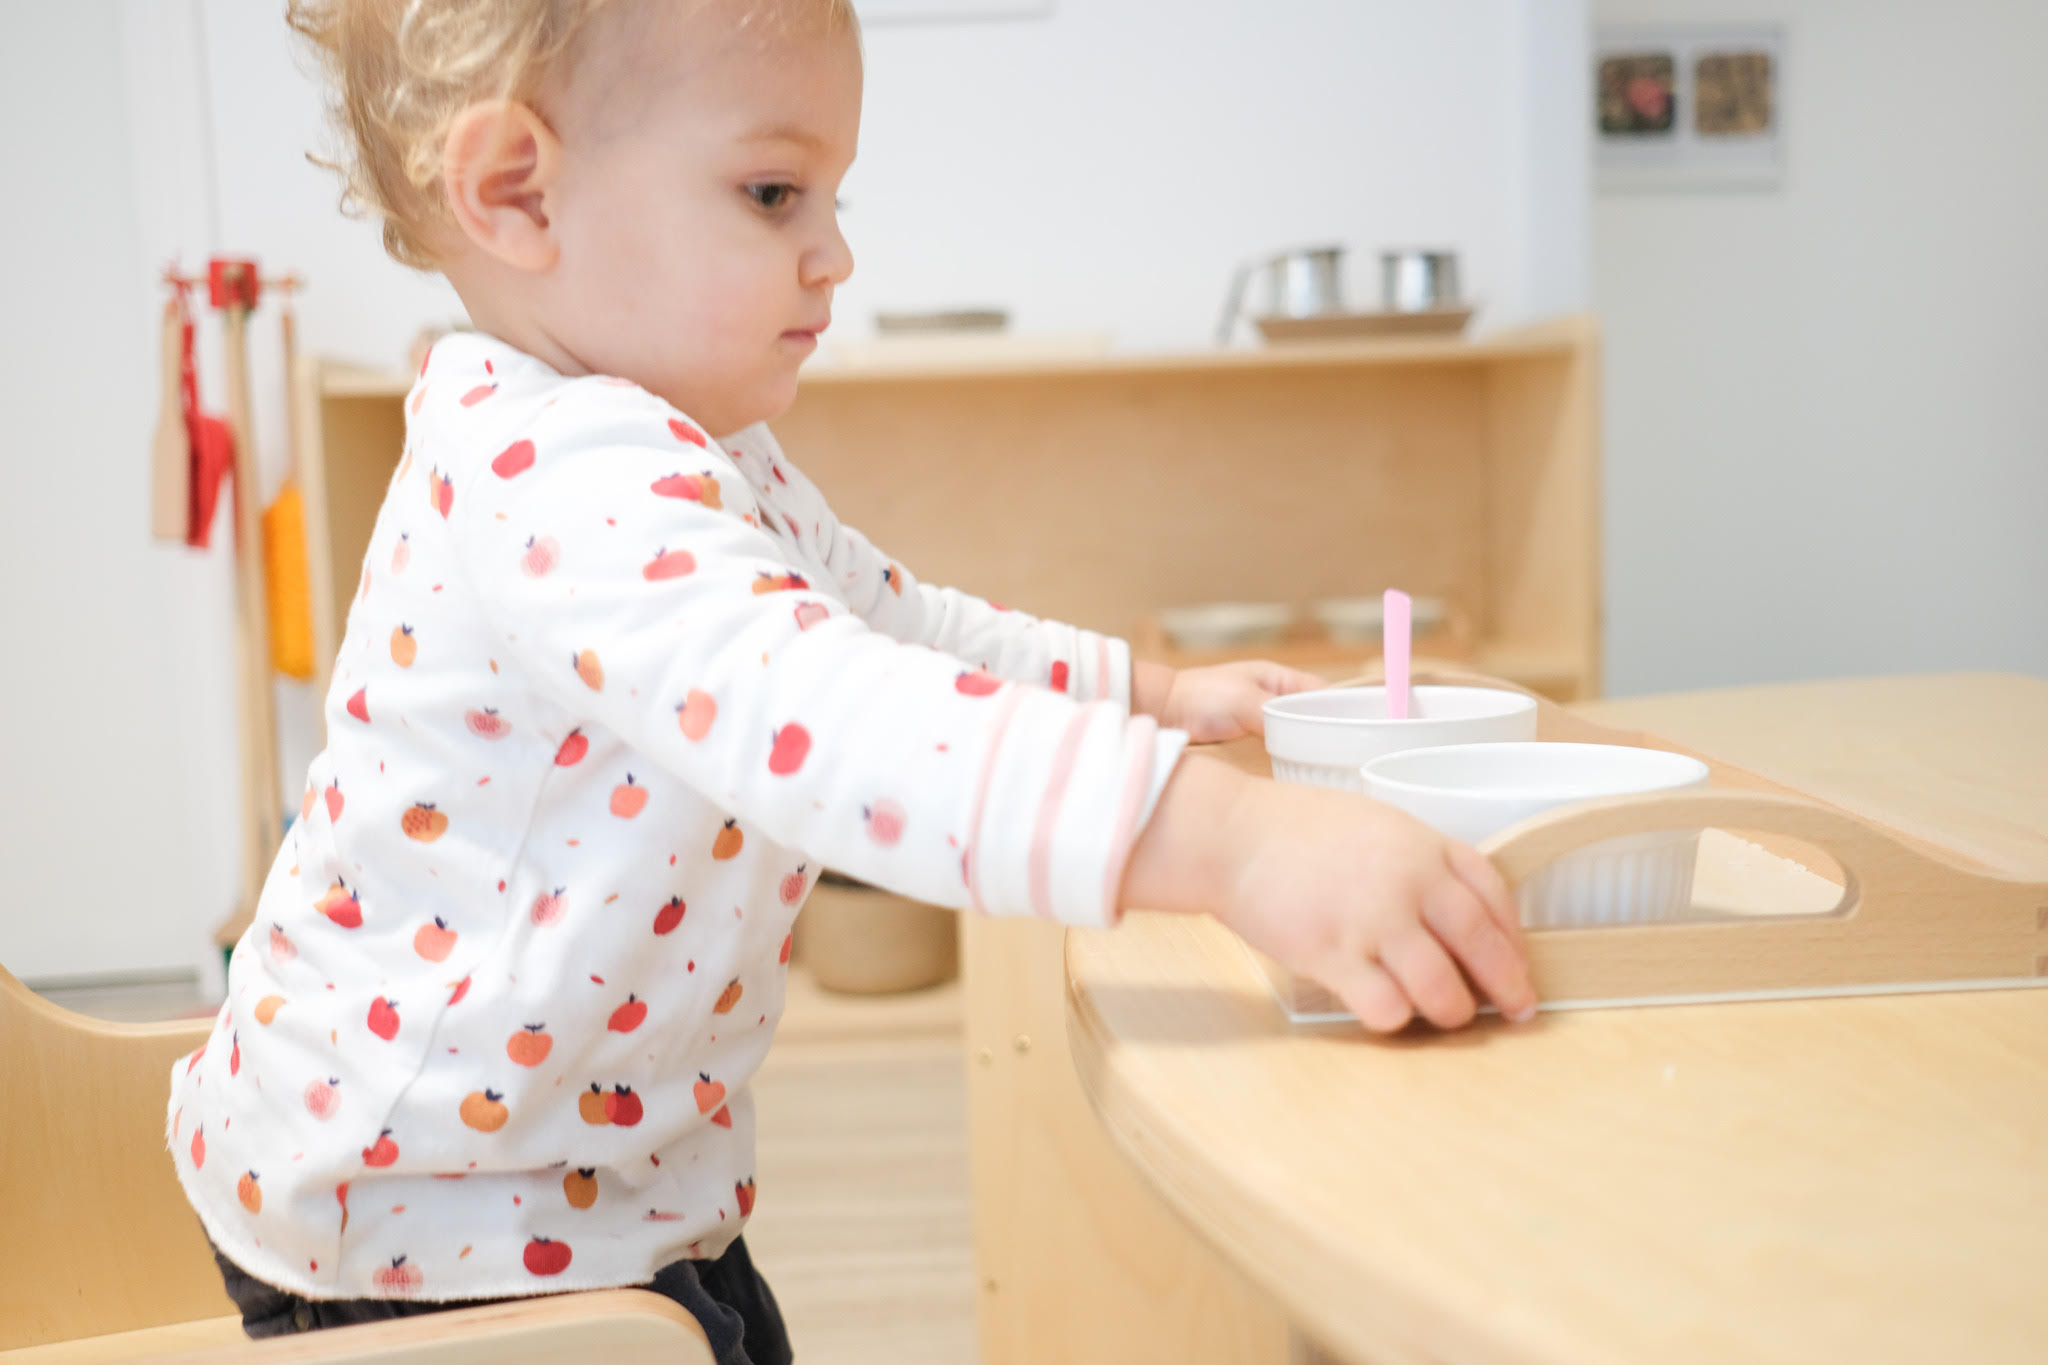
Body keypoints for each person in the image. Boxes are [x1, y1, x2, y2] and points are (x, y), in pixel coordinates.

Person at [169, 3, 1536, 1360]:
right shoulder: (559, 478)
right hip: (430, 1238)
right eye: (773, 193)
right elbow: (832, 713)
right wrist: (1233, 841)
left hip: (597, 1199)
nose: (835, 254)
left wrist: (1149, 695)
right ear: (517, 191)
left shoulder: (683, 446)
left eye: (830, 193)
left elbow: (894, 626)